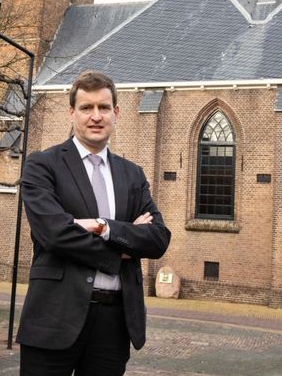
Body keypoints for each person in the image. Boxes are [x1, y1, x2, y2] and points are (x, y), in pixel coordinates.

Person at [17, 71, 171, 375]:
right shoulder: (42, 165)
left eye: (103, 108)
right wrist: (122, 248)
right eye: (86, 108)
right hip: (54, 317)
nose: (96, 116)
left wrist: (103, 227)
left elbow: (157, 237)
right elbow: (55, 234)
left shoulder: (132, 175)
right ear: (71, 112)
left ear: (116, 113)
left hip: (114, 323)